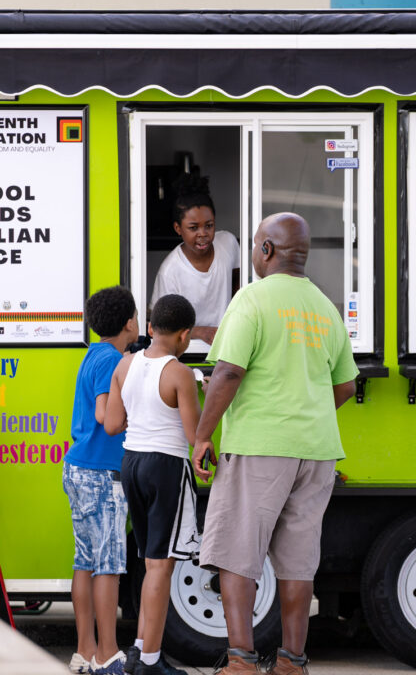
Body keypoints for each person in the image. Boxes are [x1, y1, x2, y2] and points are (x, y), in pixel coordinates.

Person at [192, 212, 358, 675]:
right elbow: (345, 386)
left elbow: (226, 371)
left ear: (266, 251)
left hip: (260, 445)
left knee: (237, 556)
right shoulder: (325, 307)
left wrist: (203, 435)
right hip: (318, 450)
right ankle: (291, 662)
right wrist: (307, 412)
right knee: (297, 563)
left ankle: (242, 661)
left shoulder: (252, 299)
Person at [104, 294, 202, 675]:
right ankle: (149, 662)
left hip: (132, 464)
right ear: (185, 335)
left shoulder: (124, 365)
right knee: (162, 566)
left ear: (148, 328)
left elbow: (112, 424)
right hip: (166, 467)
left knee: (150, 561)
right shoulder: (179, 373)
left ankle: (141, 650)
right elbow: (195, 436)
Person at [63, 286, 139, 675]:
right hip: (100, 474)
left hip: (77, 468)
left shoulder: (94, 354)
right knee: (108, 564)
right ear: (129, 322)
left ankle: (85, 651)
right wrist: (133, 416)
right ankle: (109, 654)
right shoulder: (113, 360)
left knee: (85, 561)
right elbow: (102, 414)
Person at [150, 172, 241, 345]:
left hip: (228, 347)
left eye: (209, 226)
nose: (203, 234)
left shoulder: (228, 242)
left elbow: (238, 281)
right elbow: (162, 326)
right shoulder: (170, 271)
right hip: (187, 352)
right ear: (178, 228)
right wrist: (200, 332)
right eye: (193, 228)